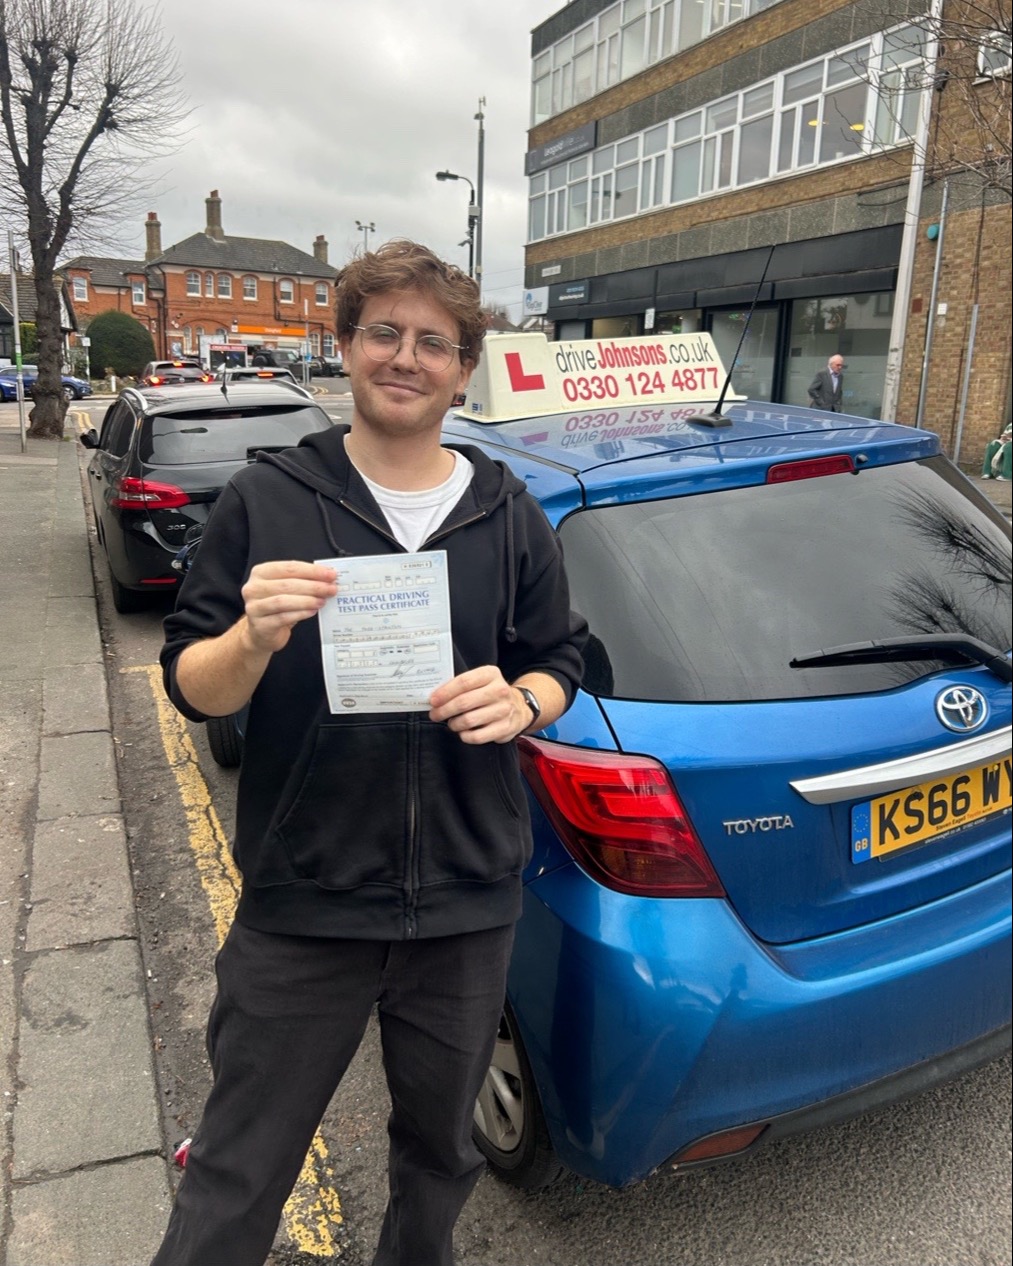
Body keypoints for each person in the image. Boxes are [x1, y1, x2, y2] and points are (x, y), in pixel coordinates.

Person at [151, 239, 587, 1266]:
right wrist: (249, 638)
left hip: (465, 905)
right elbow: (187, 682)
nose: (407, 356)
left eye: (433, 341)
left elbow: (561, 655)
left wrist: (524, 699)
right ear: (343, 346)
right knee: (237, 1167)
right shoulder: (269, 501)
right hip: (304, 905)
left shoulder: (506, 511)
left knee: (438, 1159)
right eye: (384, 332)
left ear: (462, 368)